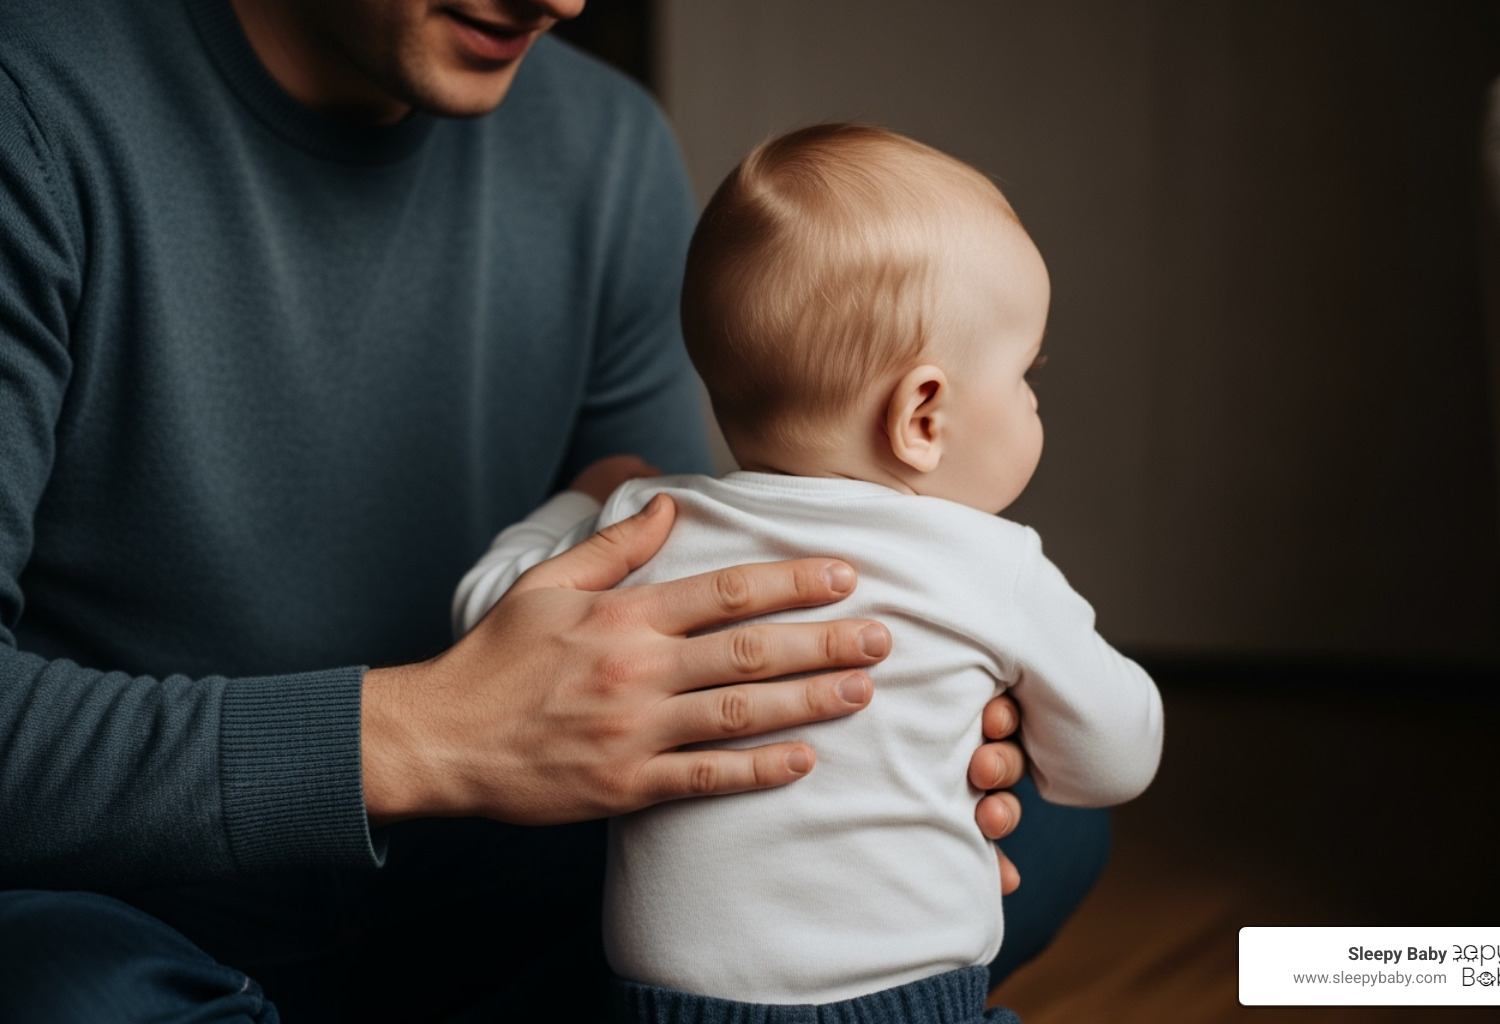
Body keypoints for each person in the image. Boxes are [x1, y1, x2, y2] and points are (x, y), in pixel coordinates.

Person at [0, 1, 1104, 1019]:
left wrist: (905, 745)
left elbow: (691, 611)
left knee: (1050, 817)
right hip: (135, 898)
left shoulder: (605, 142)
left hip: (491, 875)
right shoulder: (36, 103)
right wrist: (424, 733)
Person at [454, 124, 1163, 1022]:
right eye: (1028, 373)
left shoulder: (644, 522)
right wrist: (1032, 723)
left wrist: (580, 500)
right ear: (923, 415)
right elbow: (1117, 758)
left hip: (667, 1007)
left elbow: (489, 617)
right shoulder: (994, 565)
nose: (1032, 398)